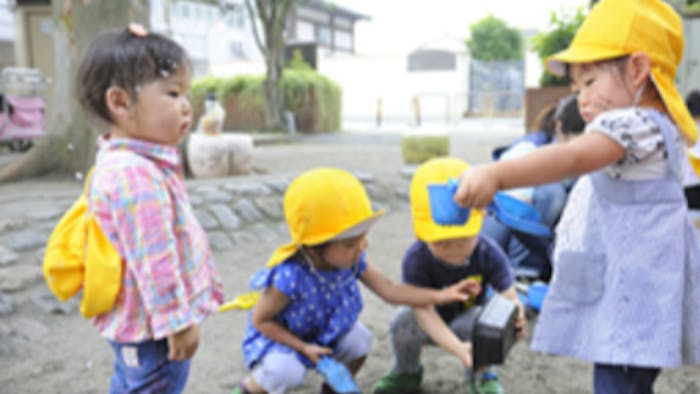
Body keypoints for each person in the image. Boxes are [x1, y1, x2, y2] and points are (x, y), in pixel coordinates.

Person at [454, 1, 700, 393]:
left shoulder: (632, 123)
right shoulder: (661, 128)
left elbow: (572, 157)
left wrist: (496, 174)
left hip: (634, 296)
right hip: (644, 292)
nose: (581, 99)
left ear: (637, 70)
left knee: (617, 384)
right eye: (575, 88)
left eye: (589, 83)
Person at [233, 167, 480, 394]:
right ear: (313, 249)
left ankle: (331, 389)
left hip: (323, 334)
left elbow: (390, 290)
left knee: (360, 340)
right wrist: (302, 347)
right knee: (286, 373)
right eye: (350, 243)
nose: (362, 247)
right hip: (283, 340)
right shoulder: (290, 275)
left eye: (363, 237)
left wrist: (443, 295)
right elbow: (261, 320)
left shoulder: (352, 260)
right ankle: (248, 389)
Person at [76, 24, 225, 393]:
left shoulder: (131, 161)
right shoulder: (134, 175)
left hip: (143, 325)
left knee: (130, 383)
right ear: (120, 102)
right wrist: (178, 322)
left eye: (186, 94)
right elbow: (154, 257)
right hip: (154, 331)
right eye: (173, 93)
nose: (186, 106)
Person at [372, 157, 526, 394]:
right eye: (442, 243)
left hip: (469, 319)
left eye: (463, 239)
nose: (454, 248)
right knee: (402, 322)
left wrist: (516, 315)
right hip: (429, 320)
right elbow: (423, 310)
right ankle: (406, 372)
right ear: (419, 234)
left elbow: (509, 295)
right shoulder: (416, 258)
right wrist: (456, 348)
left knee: (485, 325)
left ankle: (481, 375)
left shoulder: (488, 252)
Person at [482, 94, 585, 281]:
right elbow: (513, 209)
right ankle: (523, 276)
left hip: (541, 245)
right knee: (552, 193)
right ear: (560, 129)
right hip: (500, 239)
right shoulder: (527, 150)